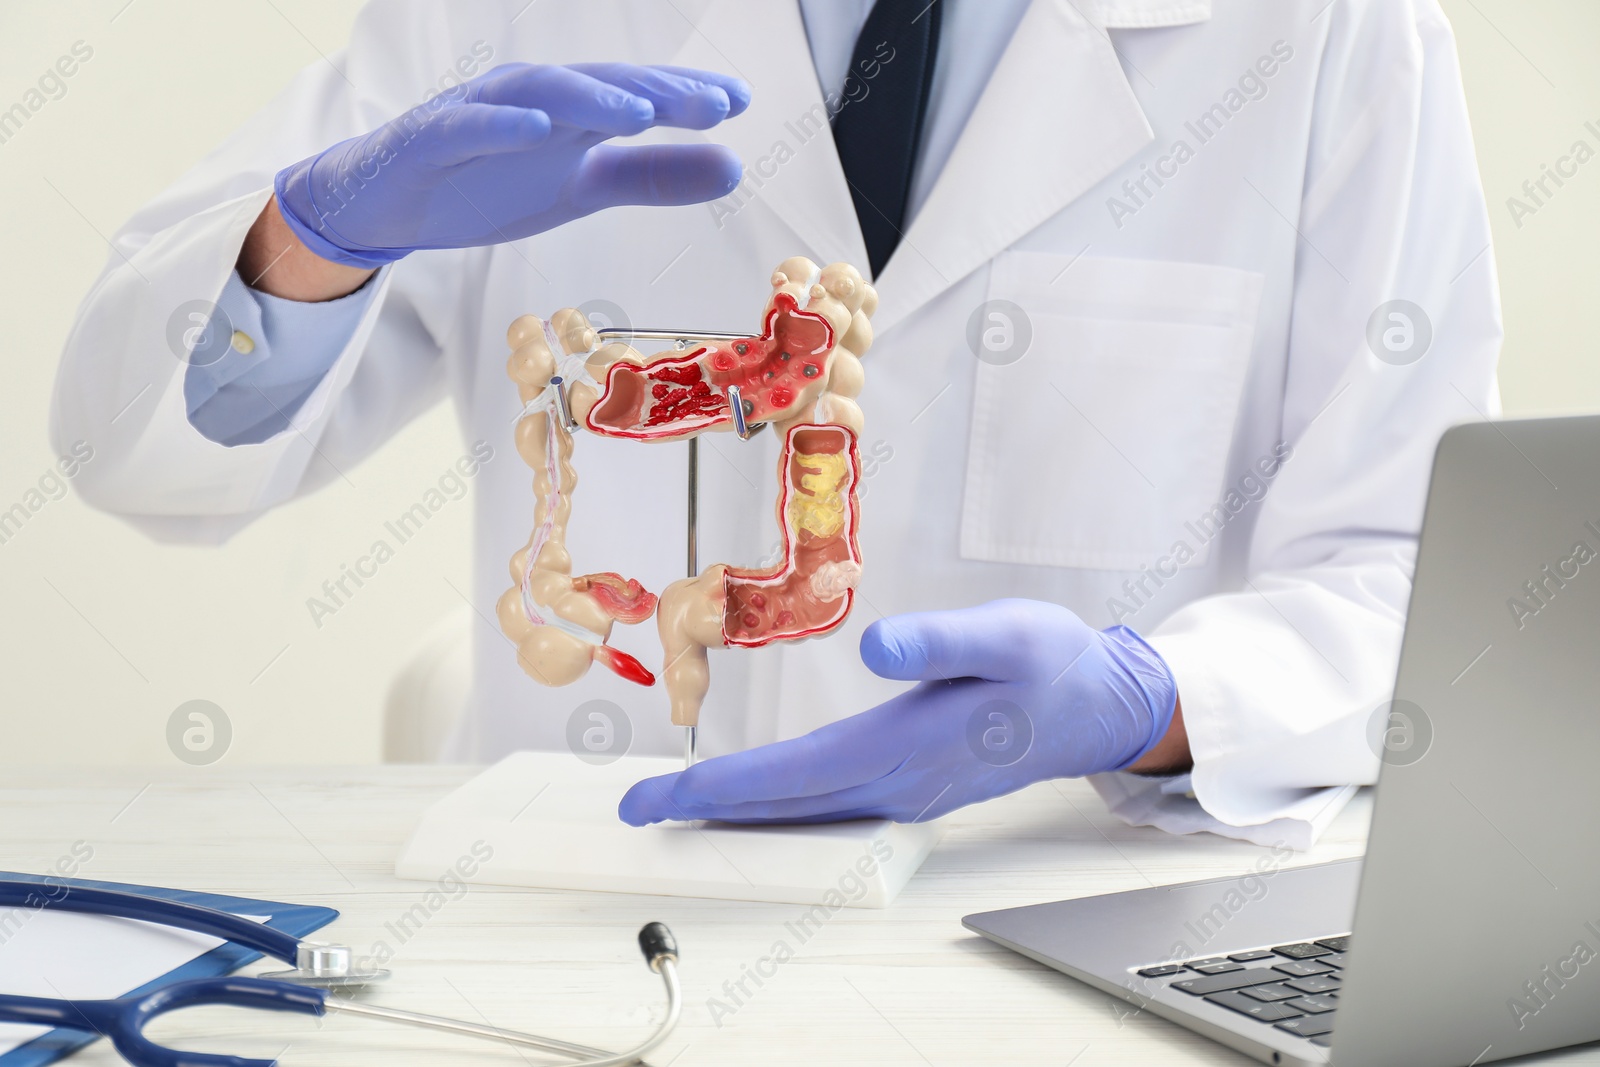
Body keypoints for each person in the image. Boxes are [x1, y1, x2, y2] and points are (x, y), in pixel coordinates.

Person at [51, 0, 1500, 848]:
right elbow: (138, 450)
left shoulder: (1329, 32)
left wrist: (1158, 701)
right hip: (593, 936)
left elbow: (1427, 589)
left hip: (1066, 921)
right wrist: (313, 240)